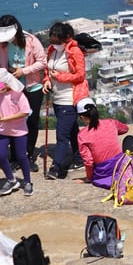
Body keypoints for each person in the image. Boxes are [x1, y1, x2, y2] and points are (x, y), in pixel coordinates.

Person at [0, 14, 47, 171]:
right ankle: (16, 155)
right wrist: (2, 74)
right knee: (13, 120)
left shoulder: (31, 41)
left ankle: (28, 154)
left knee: (31, 121)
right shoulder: (0, 44)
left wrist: (24, 71)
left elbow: (42, 62)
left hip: (32, 86)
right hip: (11, 87)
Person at [74, 98, 133, 189]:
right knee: (129, 139)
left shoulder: (82, 135)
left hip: (103, 173)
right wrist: (110, 132)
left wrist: (89, 178)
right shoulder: (110, 123)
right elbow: (125, 129)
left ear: (81, 117)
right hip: (122, 167)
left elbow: (88, 161)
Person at [42, 21, 88, 180]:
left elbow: (80, 75)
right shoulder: (51, 50)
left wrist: (59, 77)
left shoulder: (74, 51)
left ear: (66, 38)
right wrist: (47, 81)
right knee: (73, 130)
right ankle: (79, 157)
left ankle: (57, 167)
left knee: (62, 136)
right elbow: (47, 70)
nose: (54, 44)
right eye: (52, 40)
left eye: (57, 41)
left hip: (70, 98)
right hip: (57, 98)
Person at [0, 70, 33, 197]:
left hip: (19, 130)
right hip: (4, 130)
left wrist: (6, 118)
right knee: (0, 155)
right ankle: (11, 179)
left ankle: (28, 181)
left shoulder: (18, 94)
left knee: (21, 156)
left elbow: (25, 112)